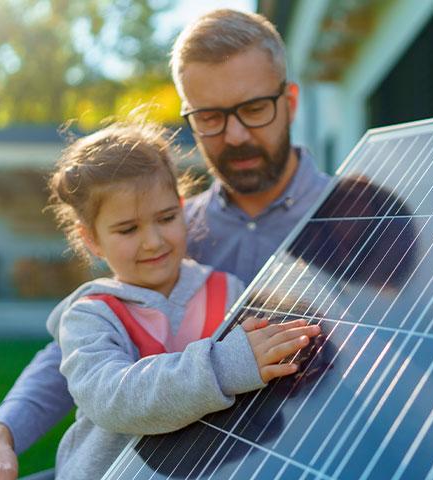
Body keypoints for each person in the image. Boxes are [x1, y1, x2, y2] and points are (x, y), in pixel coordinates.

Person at [0, 9, 433, 480]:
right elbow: (75, 352)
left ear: (290, 101)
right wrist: (0, 434)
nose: (236, 134)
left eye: (253, 108)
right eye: (211, 117)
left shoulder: (368, 216)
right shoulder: (168, 231)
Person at [38, 121, 320, 479]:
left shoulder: (229, 291)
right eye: (128, 229)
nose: (153, 240)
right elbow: (114, 399)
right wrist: (225, 366)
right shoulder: (90, 317)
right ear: (91, 238)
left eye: (167, 217)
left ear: (182, 207)